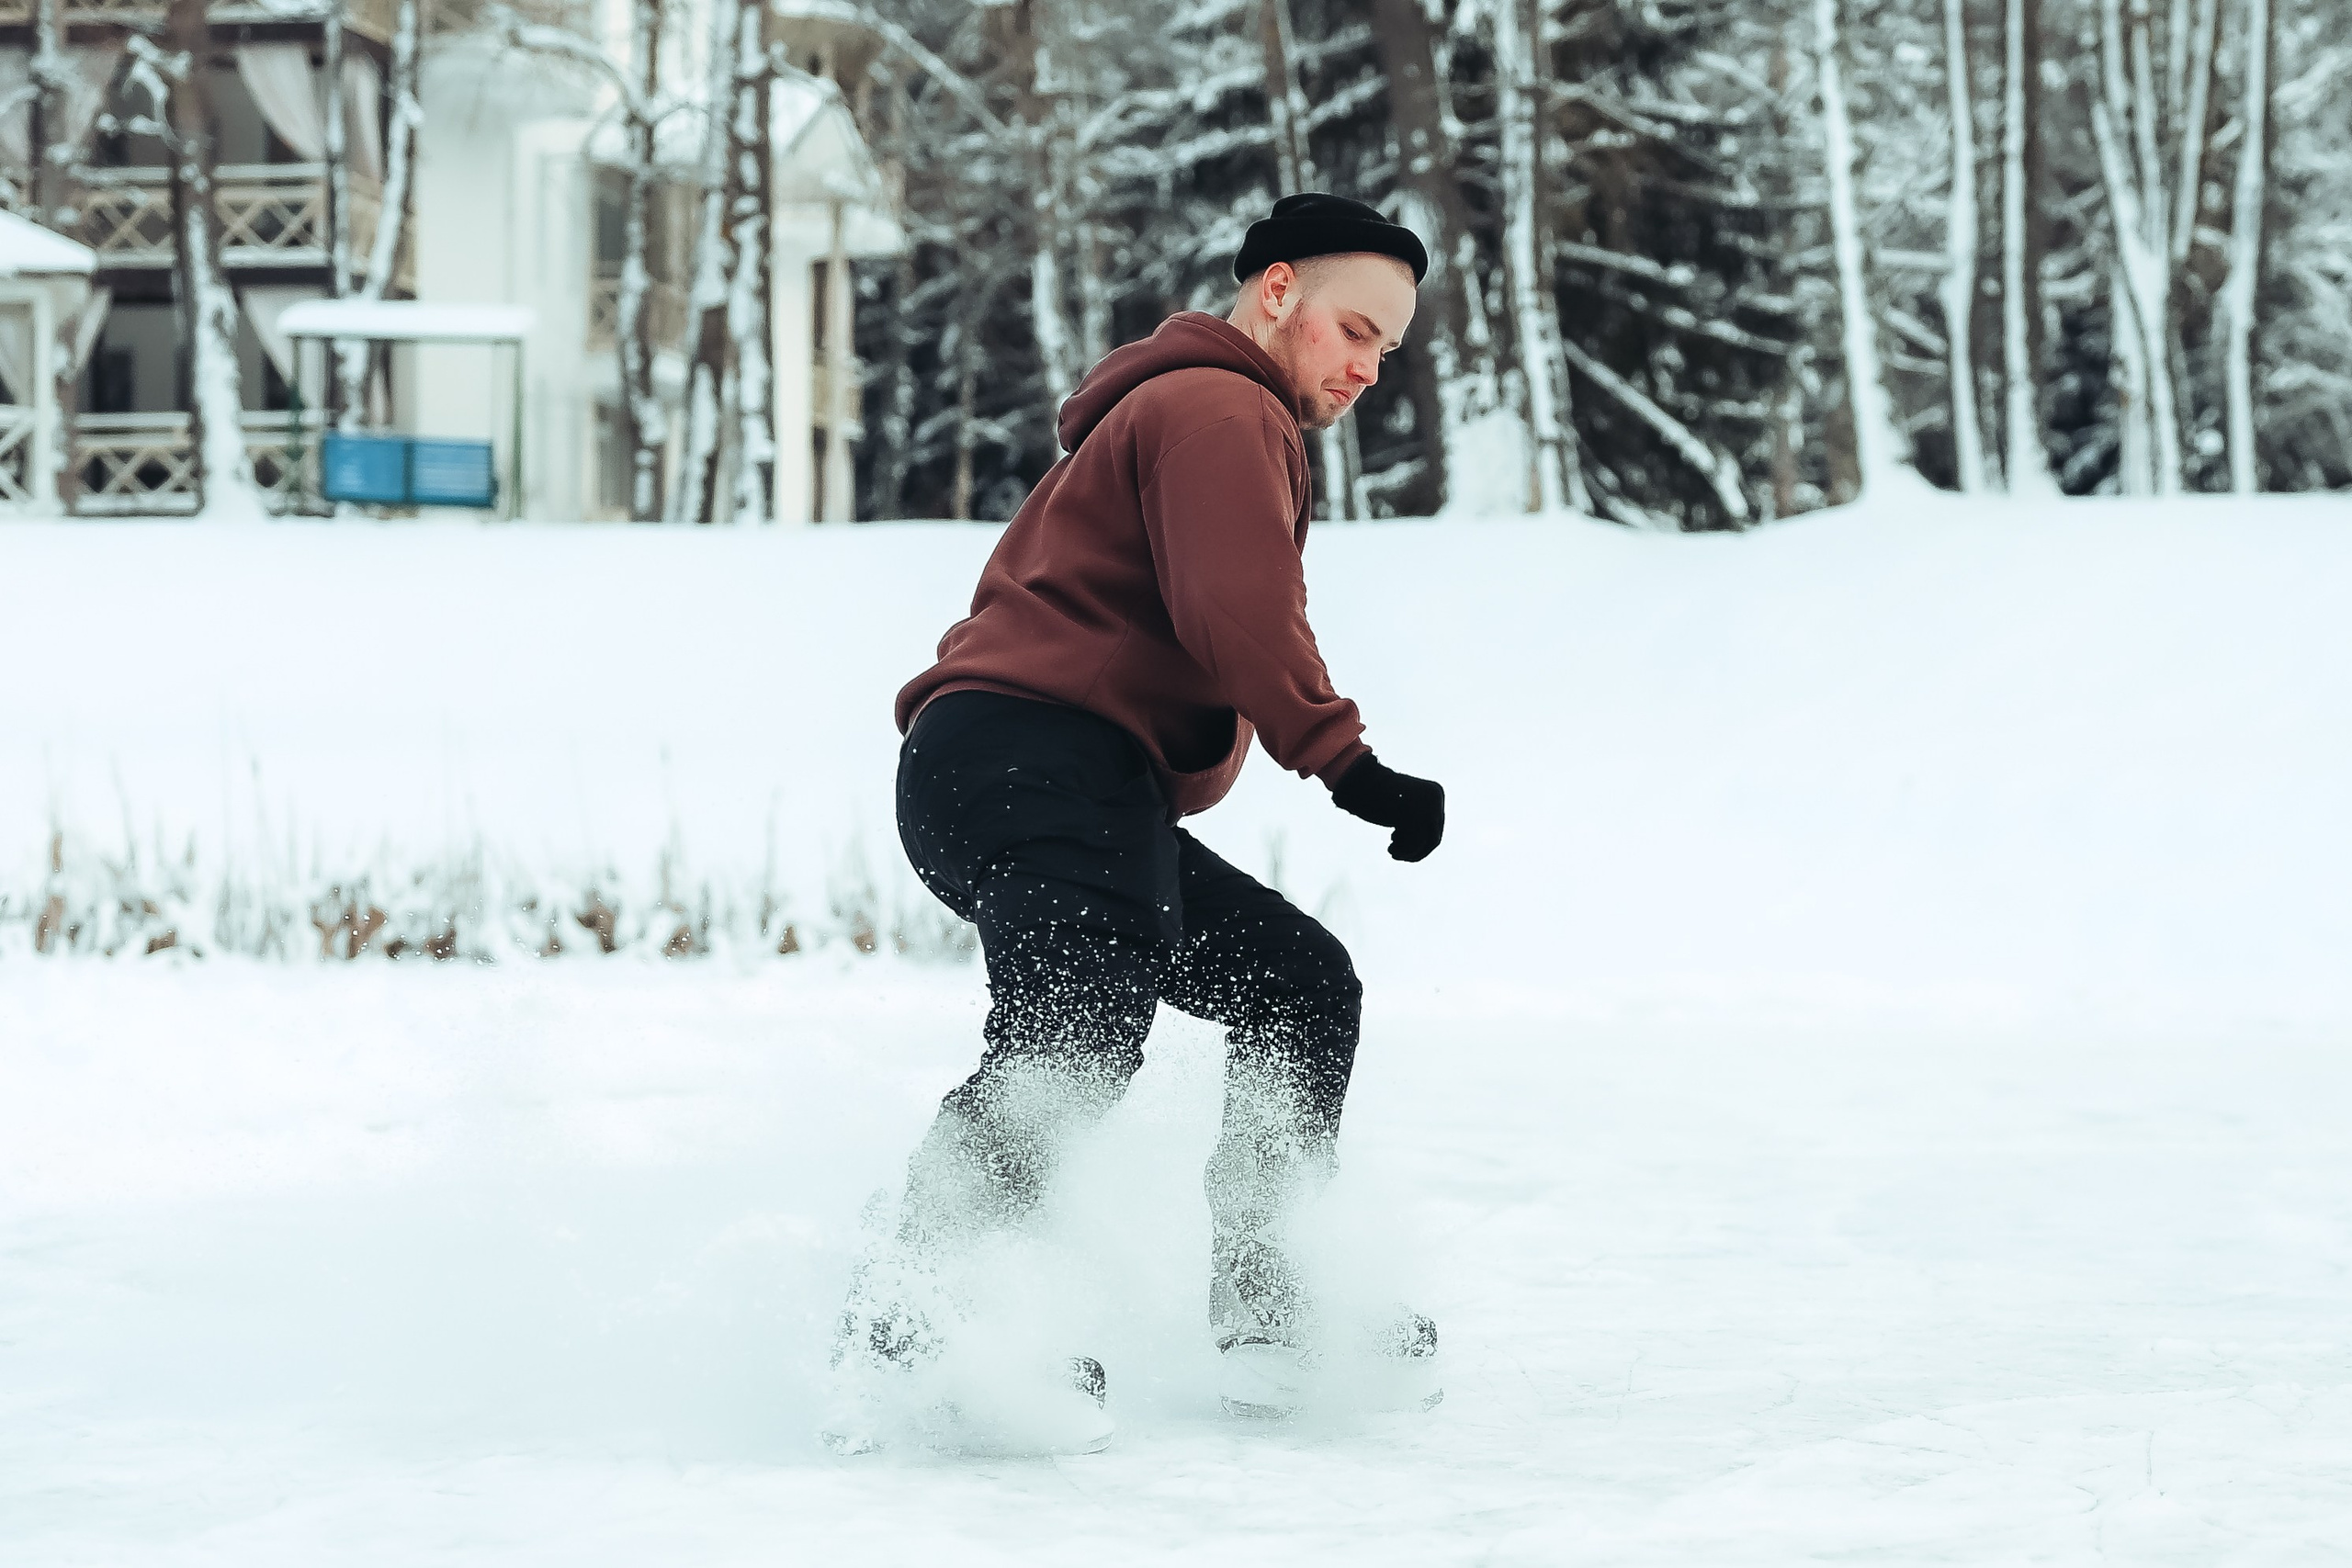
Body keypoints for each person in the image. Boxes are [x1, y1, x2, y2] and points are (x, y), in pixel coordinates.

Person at [837, 193, 1448, 1444]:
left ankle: (1277, 1307)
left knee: (1297, 985)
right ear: (1275, 290)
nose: (1366, 367)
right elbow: (1239, 607)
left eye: (1387, 349)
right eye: (1352, 327)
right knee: (1081, 1023)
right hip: (1035, 753)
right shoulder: (1223, 406)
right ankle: (925, 1319)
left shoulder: (1184, 406)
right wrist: (1346, 762)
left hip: (1035, 772)